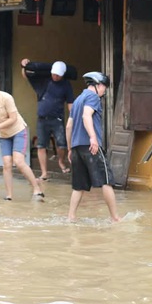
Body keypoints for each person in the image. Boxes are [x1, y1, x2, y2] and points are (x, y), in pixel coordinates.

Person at [65, 71, 121, 223]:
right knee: (106, 180)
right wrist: (93, 138)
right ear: (98, 85)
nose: (104, 91)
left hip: (77, 148)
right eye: (104, 87)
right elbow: (86, 115)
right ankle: (115, 218)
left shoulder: (77, 100)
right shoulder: (92, 97)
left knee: (79, 186)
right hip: (90, 146)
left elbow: (69, 126)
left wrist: (70, 148)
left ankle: (71, 217)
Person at [0, 74, 43, 201]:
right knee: (6, 163)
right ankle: (9, 195)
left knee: (18, 161)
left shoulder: (6, 98)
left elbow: (13, 119)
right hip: (4, 135)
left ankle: (36, 188)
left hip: (18, 131)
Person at [20, 59, 75, 181]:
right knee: (41, 146)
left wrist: (73, 118)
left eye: (58, 75)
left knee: (61, 144)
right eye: (54, 74)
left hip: (57, 119)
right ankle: (44, 173)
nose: (55, 76)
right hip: (42, 119)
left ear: (62, 75)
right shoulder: (43, 81)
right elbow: (26, 76)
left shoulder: (66, 85)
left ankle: (61, 161)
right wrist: (23, 65)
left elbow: (70, 103)